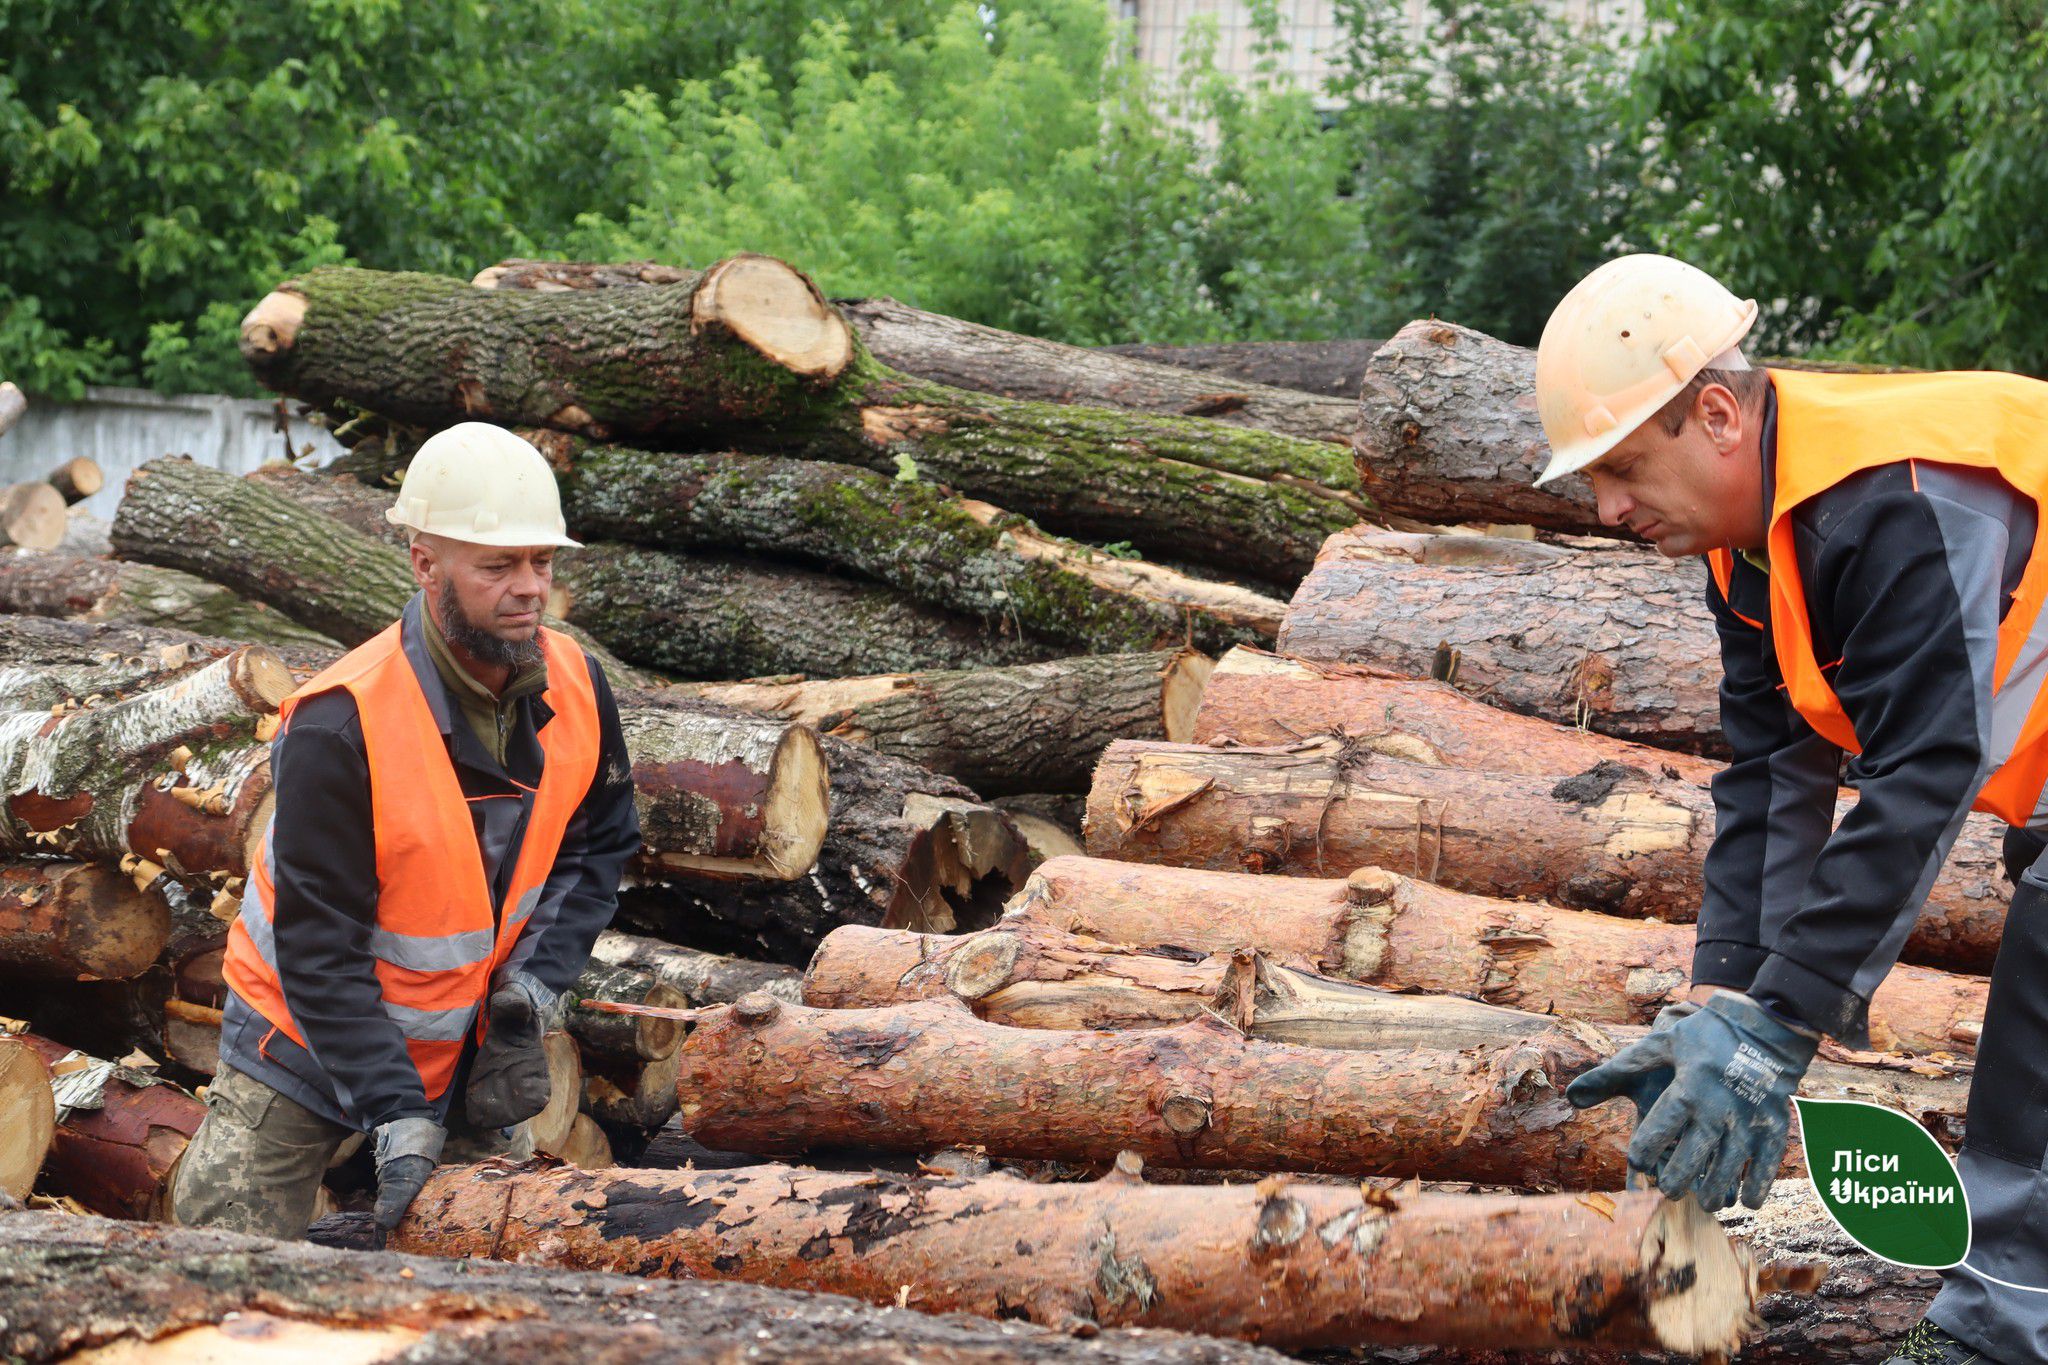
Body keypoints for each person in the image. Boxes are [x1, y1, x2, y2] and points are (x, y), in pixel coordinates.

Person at [1539, 253, 2048, 1364]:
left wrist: (1777, 1034)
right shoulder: (1751, 552)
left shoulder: (1892, 499)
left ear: (1714, 414)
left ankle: (1996, 1338)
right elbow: (1773, 776)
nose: (1606, 506)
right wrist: (1714, 1003)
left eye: (1620, 467)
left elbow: (1925, 766)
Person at [168, 421, 639, 1241]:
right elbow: (319, 954)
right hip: (302, 1041)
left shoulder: (580, 683)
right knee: (220, 1265)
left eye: (543, 561)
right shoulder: (339, 724)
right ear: (426, 564)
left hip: (469, 1054)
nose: (530, 587)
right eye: (498, 565)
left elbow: (600, 846)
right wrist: (396, 1110)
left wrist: (530, 991)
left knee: (478, 1285)